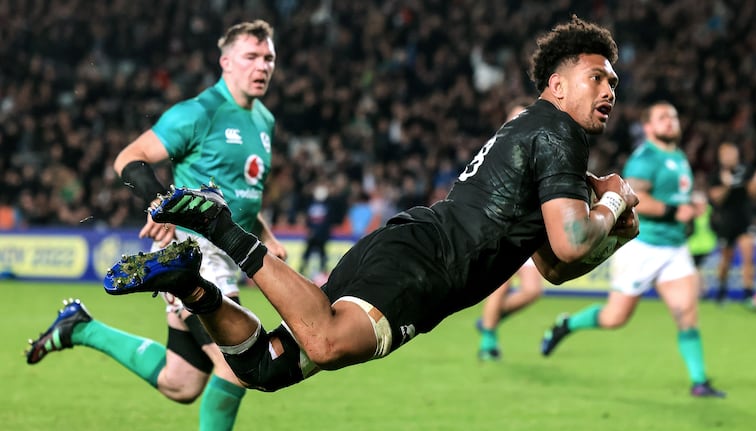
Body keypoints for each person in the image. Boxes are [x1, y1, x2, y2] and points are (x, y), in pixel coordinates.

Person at [103, 17, 639, 401]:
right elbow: (570, 242)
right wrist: (614, 199)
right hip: (428, 268)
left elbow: (555, 265)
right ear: (558, 84)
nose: (610, 89)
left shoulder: (532, 129)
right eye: (598, 77)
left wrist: (615, 229)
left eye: (614, 81)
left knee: (265, 369)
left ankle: (191, 286)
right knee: (327, 342)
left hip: (412, 247)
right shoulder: (559, 132)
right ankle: (218, 226)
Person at [24, 20, 287, 431]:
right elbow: (131, 157)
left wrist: (266, 235)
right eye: (252, 56)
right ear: (226, 61)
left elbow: (243, 194)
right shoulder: (199, 112)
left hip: (225, 258)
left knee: (182, 382)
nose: (262, 66)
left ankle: (80, 328)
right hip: (190, 258)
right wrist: (160, 204)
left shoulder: (264, 121)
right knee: (240, 365)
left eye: (268, 58)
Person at [540, 101, 726, 398]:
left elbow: (677, 196)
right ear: (649, 127)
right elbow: (635, 198)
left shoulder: (678, 157)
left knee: (686, 312)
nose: (670, 121)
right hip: (643, 247)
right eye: (662, 117)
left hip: (674, 248)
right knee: (615, 318)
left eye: (673, 116)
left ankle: (699, 381)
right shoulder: (645, 159)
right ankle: (567, 324)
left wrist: (693, 204)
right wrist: (673, 211)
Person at [475, 99, 543, 361]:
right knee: (501, 284)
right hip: (502, 228)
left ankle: (489, 321)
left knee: (532, 291)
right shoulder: (499, 151)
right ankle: (487, 343)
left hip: (529, 230)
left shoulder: (540, 151)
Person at [708, 141, 756, 309]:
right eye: (726, 154)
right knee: (726, 259)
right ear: (721, 157)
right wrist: (727, 186)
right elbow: (715, 198)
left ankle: (748, 296)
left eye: (732, 153)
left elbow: (754, 194)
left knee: (748, 257)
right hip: (726, 222)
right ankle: (721, 293)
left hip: (745, 220)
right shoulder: (716, 174)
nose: (730, 157)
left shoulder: (747, 170)